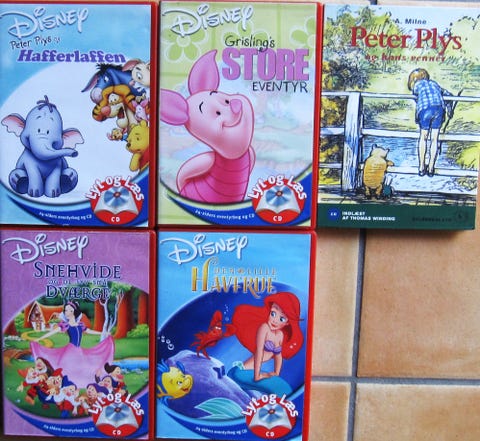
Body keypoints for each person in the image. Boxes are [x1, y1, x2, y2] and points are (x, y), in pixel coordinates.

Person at [228, 292, 303, 395]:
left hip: (250, 372)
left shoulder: (280, 335)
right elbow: (259, 352)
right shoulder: (264, 328)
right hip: (240, 372)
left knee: (283, 388)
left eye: (281, 318)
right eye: (273, 313)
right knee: (283, 389)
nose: (275, 320)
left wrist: (276, 373)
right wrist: (257, 376)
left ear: (287, 322)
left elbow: (278, 356)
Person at [30, 301, 114, 388]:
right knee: (67, 367)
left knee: (81, 367)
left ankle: (77, 383)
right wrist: (40, 338)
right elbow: (53, 332)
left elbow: (89, 331)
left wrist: (103, 333)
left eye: (68, 310)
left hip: (78, 351)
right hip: (70, 351)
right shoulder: (65, 325)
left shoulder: (80, 325)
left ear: (73, 311)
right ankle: (65, 384)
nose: (66, 312)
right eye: (65, 310)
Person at [408, 68, 453, 177]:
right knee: (434, 139)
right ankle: (431, 166)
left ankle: (421, 167)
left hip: (425, 110)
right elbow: (449, 95)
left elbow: (417, 99)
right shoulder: (434, 84)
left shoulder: (417, 86)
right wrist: (449, 109)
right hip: (438, 109)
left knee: (423, 138)